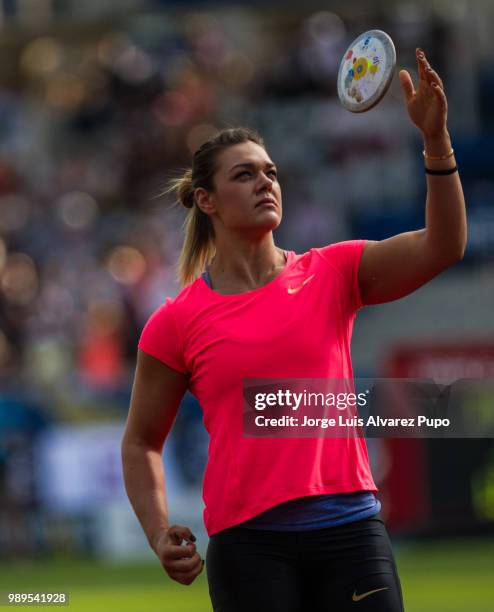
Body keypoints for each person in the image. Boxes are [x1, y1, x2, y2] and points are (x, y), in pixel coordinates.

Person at [121, 48, 466, 612]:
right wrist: (158, 530)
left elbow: (443, 244)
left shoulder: (334, 271)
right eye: (245, 174)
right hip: (249, 548)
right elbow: (140, 442)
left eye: (271, 172)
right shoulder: (175, 321)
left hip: (352, 533)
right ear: (205, 199)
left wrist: (435, 139)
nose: (266, 183)